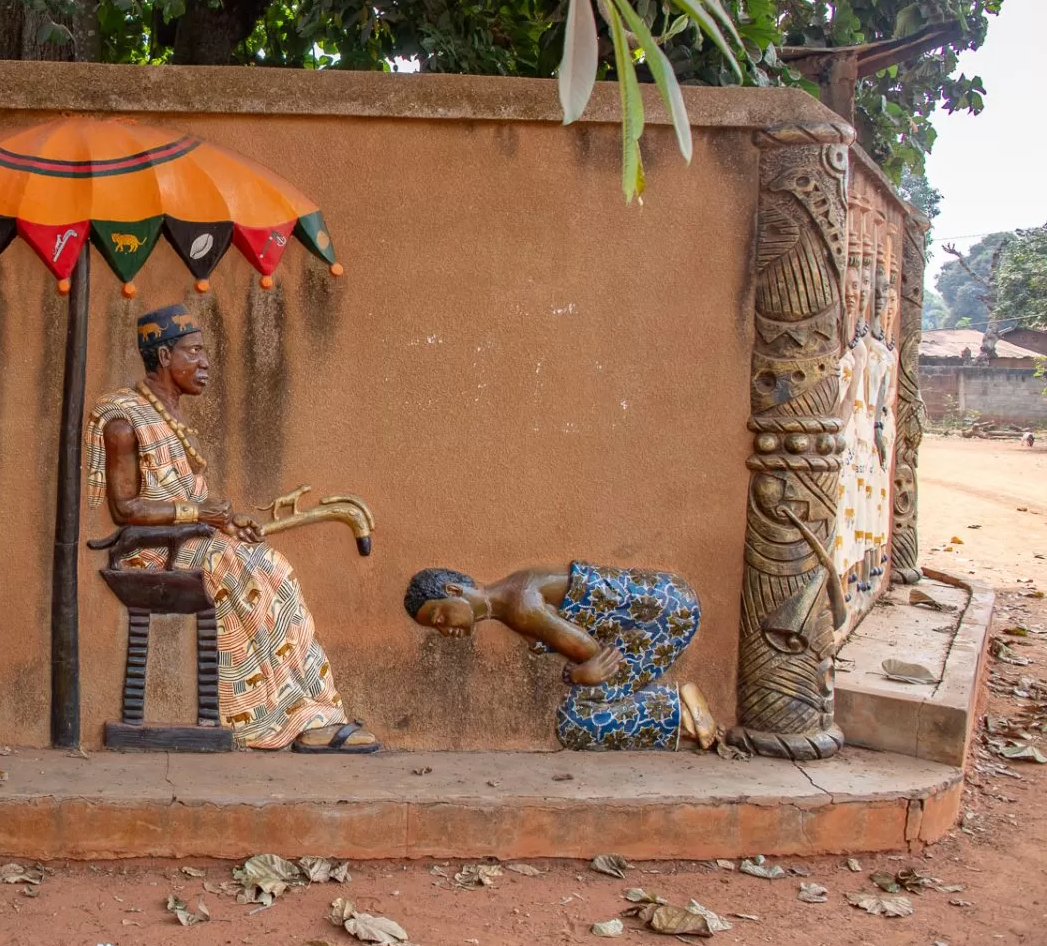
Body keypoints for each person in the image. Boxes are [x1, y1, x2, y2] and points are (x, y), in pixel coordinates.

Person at [86, 305, 376, 752]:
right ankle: (276, 719)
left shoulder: (171, 419)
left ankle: (316, 708)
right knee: (242, 570)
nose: (204, 363)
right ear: (164, 357)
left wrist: (227, 519)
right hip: (147, 551)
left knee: (273, 567)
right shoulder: (125, 421)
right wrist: (200, 515)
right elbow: (126, 508)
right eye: (194, 352)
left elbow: (190, 502)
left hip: (190, 543)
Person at [405, 564, 717, 751]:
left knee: (576, 721)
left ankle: (676, 708)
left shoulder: (518, 605)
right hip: (668, 605)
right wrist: (578, 672)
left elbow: (590, 654)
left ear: (453, 589)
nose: (443, 630)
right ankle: (680, 714)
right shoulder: (508, 598)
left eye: (439, 617)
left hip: (665, 617)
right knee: (587, 708)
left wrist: (580, 676)